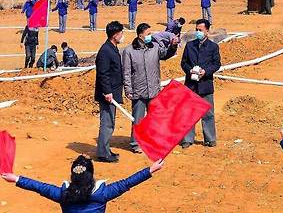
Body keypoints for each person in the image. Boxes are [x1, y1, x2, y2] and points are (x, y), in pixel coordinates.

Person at [1, 155, 164, 213]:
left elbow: (39, 187)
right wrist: (150, 170)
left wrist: (16, 178)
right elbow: (127, 183)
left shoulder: (63, 195)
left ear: (73, 176)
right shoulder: (102, 194)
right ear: (91, 175)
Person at [122, 23, 178, 153]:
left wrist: (173, 45)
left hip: (153, 89)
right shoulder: (129, 51)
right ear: (140, 35)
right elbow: (126, 72)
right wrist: (128, 90)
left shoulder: (155, 47)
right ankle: (136, 143)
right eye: (148, 34)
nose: (150, 36)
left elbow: (166, 54)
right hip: (138, 90)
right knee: (138, 119)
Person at [179, 19, 221, 149]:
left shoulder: (213, 47)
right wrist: (189, 70)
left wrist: (206, 72)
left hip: (205, 84)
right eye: (196, 29)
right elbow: (184, 62)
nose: (198, 32)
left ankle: (210, 139)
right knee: (188, 113)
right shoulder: (190, 45)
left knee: (208, 113)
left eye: (200, 30)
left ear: (207, 31)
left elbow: (217, 64)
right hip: (191, 85)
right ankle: (187, 139)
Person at [95, 21, 125, 163]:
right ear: (115, 35)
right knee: (107, 123)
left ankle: (106, 149)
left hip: (113, 92)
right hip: (108, 94)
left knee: (110, 122)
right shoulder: (105, 51)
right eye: (121, 33)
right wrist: (107, 92)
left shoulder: (112, 48)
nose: (122, 36)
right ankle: (102, 153)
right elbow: (103, 73)